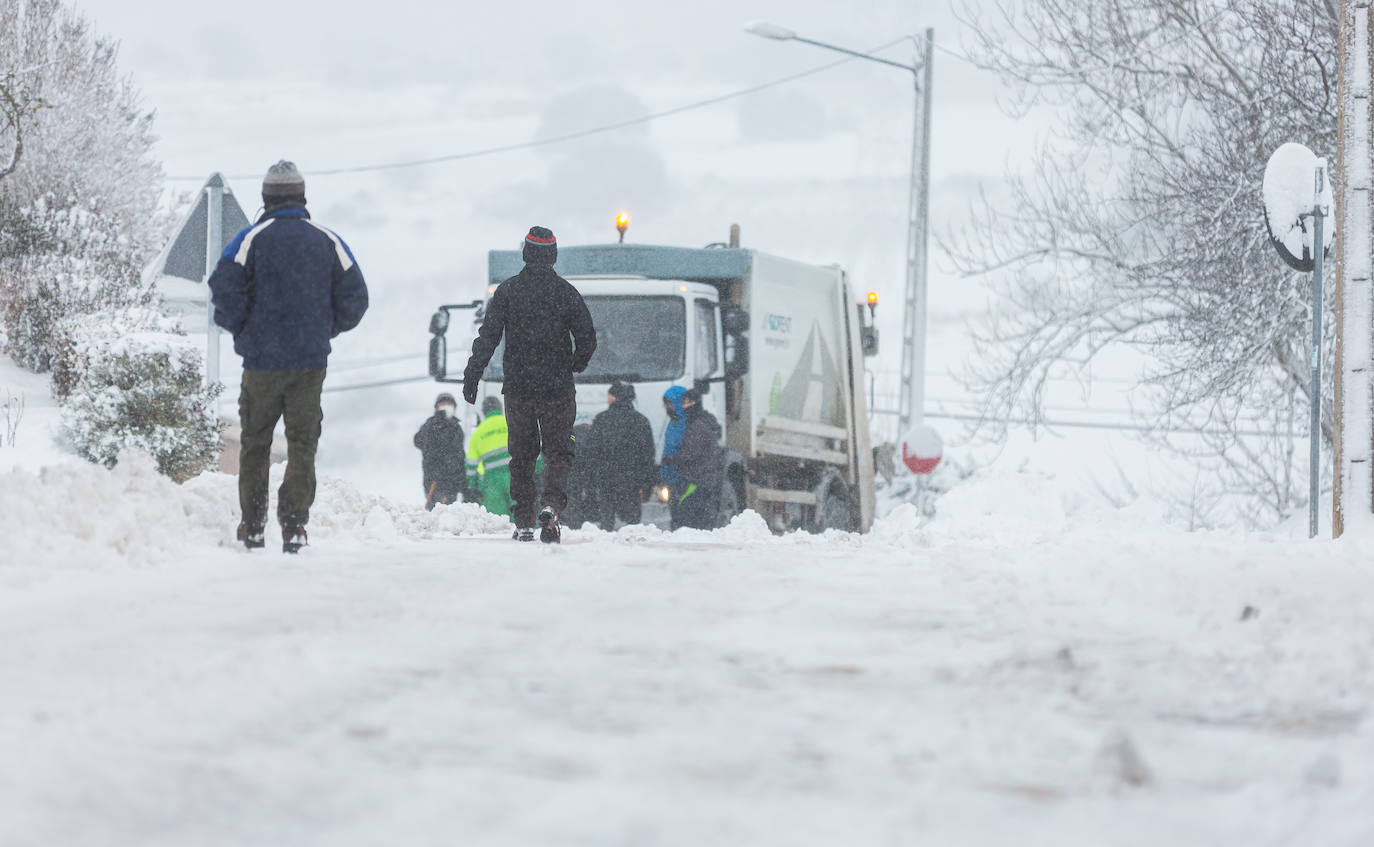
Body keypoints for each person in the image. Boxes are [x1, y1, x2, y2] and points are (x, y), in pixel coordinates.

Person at [209, 160, 368, 553]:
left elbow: (223, 289)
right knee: (302, 443)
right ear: (302, 196)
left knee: (255, 442)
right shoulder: (327, 240)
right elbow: (356, 298)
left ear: (266, 197)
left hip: (261, 363)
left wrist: (244, 329)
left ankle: (254, 524)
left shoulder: (250, 239)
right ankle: (295, 526)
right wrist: (325, 329)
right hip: (308, 363)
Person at [463, 227, 596, 544]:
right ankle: (550, 506)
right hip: (557, 389)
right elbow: (588, 337)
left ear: (525, 253)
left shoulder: (507, 292)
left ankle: (523, 521)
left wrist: (472, 374)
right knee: (558, 454)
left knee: (521, 456)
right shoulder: (565, 292)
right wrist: (575, 363)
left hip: (519, 390)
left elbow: (488, 338)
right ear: (553, 255)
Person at [582, 380, 656, 530]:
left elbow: (592, 450)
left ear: (615, 397)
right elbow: (648, 453)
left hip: (606, 478)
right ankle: (633, 546)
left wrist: (590, 476)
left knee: (607, 520)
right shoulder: (641, 421)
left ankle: (606, 546)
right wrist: (647, 480)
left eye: (609, 395)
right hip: (632, 479)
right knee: (633, 522)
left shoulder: (602, 419)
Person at [660, 388, 722, 530]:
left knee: (687, 518)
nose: (683, 406)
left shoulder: (694, 425)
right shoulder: (680, 423)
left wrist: (673, 459)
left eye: (686, 402)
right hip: (685, 477)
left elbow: (692, 452)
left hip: (693, 478)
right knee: (686, 516)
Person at [413, 393, 466, 510]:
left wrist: (462, 481)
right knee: (436, 513)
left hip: (452, 481)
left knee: (450, 516)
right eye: (443, 404)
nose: (447, 407)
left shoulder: (456, 428)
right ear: (437, 407)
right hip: (434, 481)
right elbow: (418, 440)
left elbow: (460, 455)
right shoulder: (430, 425)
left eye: (450, 404)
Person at [465, 396, 515, 518]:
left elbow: (471, 466)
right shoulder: (511, 423)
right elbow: (530, 447)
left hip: (492, 483)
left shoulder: (478, 433)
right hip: (516, 476)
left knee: (498, 522)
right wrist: (537, 469)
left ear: (483, 412)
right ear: (500, 409)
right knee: (523, 515)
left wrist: (472, 486)